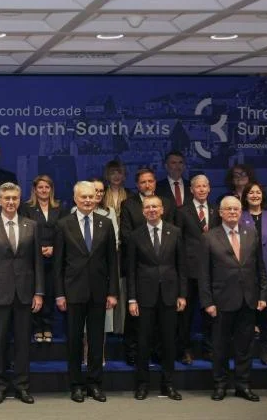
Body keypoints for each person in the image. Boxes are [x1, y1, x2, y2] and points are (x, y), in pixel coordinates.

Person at [0, 182, 43, 405]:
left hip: (25, 293)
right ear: (0, 201)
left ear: (19, 199)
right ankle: (0, 387)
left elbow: (37, 262)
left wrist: (39, 292)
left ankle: (22, 387)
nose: (11, 202)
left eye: (14, 198)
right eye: (7, 198)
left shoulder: (31, 226)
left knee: (23, 343)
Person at [53, 181, 118, 403]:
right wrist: (59, 294)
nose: (88, 200)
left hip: (99, 292)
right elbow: (58, 264)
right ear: (75, 198)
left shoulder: (106, 224)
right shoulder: (63, 224)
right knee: (74, 340)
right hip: (72, 292)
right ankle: (76, 385)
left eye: (91, 196)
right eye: (84, 197)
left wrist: (113, 292)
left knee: (96, 340)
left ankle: (94, 384)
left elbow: (112, 261)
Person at [200, 196, 267, 402]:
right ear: (220, 213)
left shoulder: (251, 233)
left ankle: (242, 385)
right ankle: (220, 385)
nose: (232, 212)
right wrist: (207, 302)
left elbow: (260, 267)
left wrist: (263, 294)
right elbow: (204, 274)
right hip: (221, 302)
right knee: (220, 347)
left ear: (241, 212)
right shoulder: (209, 237)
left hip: (248, 300)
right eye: (228, 209)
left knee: (245, 347)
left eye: (236, 209)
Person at [126, 196, 187, 401]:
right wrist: (132, 299)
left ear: (162, 209)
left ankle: (168, 384)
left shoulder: (175, 232)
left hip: (170, 296)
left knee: (169, 342)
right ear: (143, 211)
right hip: (144, 297)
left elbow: (182, 266)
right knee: (143, 342)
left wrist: (182, 294)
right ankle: (142, 384)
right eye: (148, 207)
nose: (151, 210)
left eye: (155, 206)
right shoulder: (135, 235)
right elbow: (131, 270)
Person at [119, 168, 176, 366]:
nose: (147, 185)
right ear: (137, 185)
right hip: (138, 264)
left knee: (160, 318)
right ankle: (132, 352)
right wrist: (145, 247)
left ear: (155, 182)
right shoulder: (128, 204)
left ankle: (158, 352)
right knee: (135, 315)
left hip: (163, 267)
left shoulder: (166, 202)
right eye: (143, 182)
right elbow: (125, 234)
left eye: (150, 181)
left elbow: (171, 232)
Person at [174, 174, 220, 364]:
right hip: (189, 271)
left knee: (211, 313)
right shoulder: (182, 211)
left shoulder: (216, 210)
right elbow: (178, 242)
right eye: (197, 186)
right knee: (186, 316)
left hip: (212, 270)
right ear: (191, 190)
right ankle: (185, 350)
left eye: (204, 186)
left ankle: (209, 350)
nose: (201, 189)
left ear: (209, 188)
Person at [240, 182, 267, 365]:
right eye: (251, 192)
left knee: (266, 313)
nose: (255, 195)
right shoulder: (239, 214)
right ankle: (246, 351)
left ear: (263, 195)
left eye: (258, 192)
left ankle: (264, 349)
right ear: (245, 196)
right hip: (246, 271)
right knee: (247, 313)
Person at [21, 175, 64, 343]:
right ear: (34, 189)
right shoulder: (26, 208)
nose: (44, 190)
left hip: (54, 257)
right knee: (36, 292)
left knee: (51, 292)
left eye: (47, 187)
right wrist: (38, 249)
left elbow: (63, 231)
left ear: (51, 189)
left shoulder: (60, 207)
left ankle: (48, 327)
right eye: (40, 187)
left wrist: (54, 248)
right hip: (33, 256)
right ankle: (37, 327)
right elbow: (24, 231)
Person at [85, 178, 119, 363]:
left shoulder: (108, 213)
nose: (97, 194)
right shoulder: (73, 213)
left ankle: (99, 356)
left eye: (100, 191)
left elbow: (114, 242)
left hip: (101, 273)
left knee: (101, 321)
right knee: (82, 323)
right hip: (81, 278)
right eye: (94, 190)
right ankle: (85, 354)